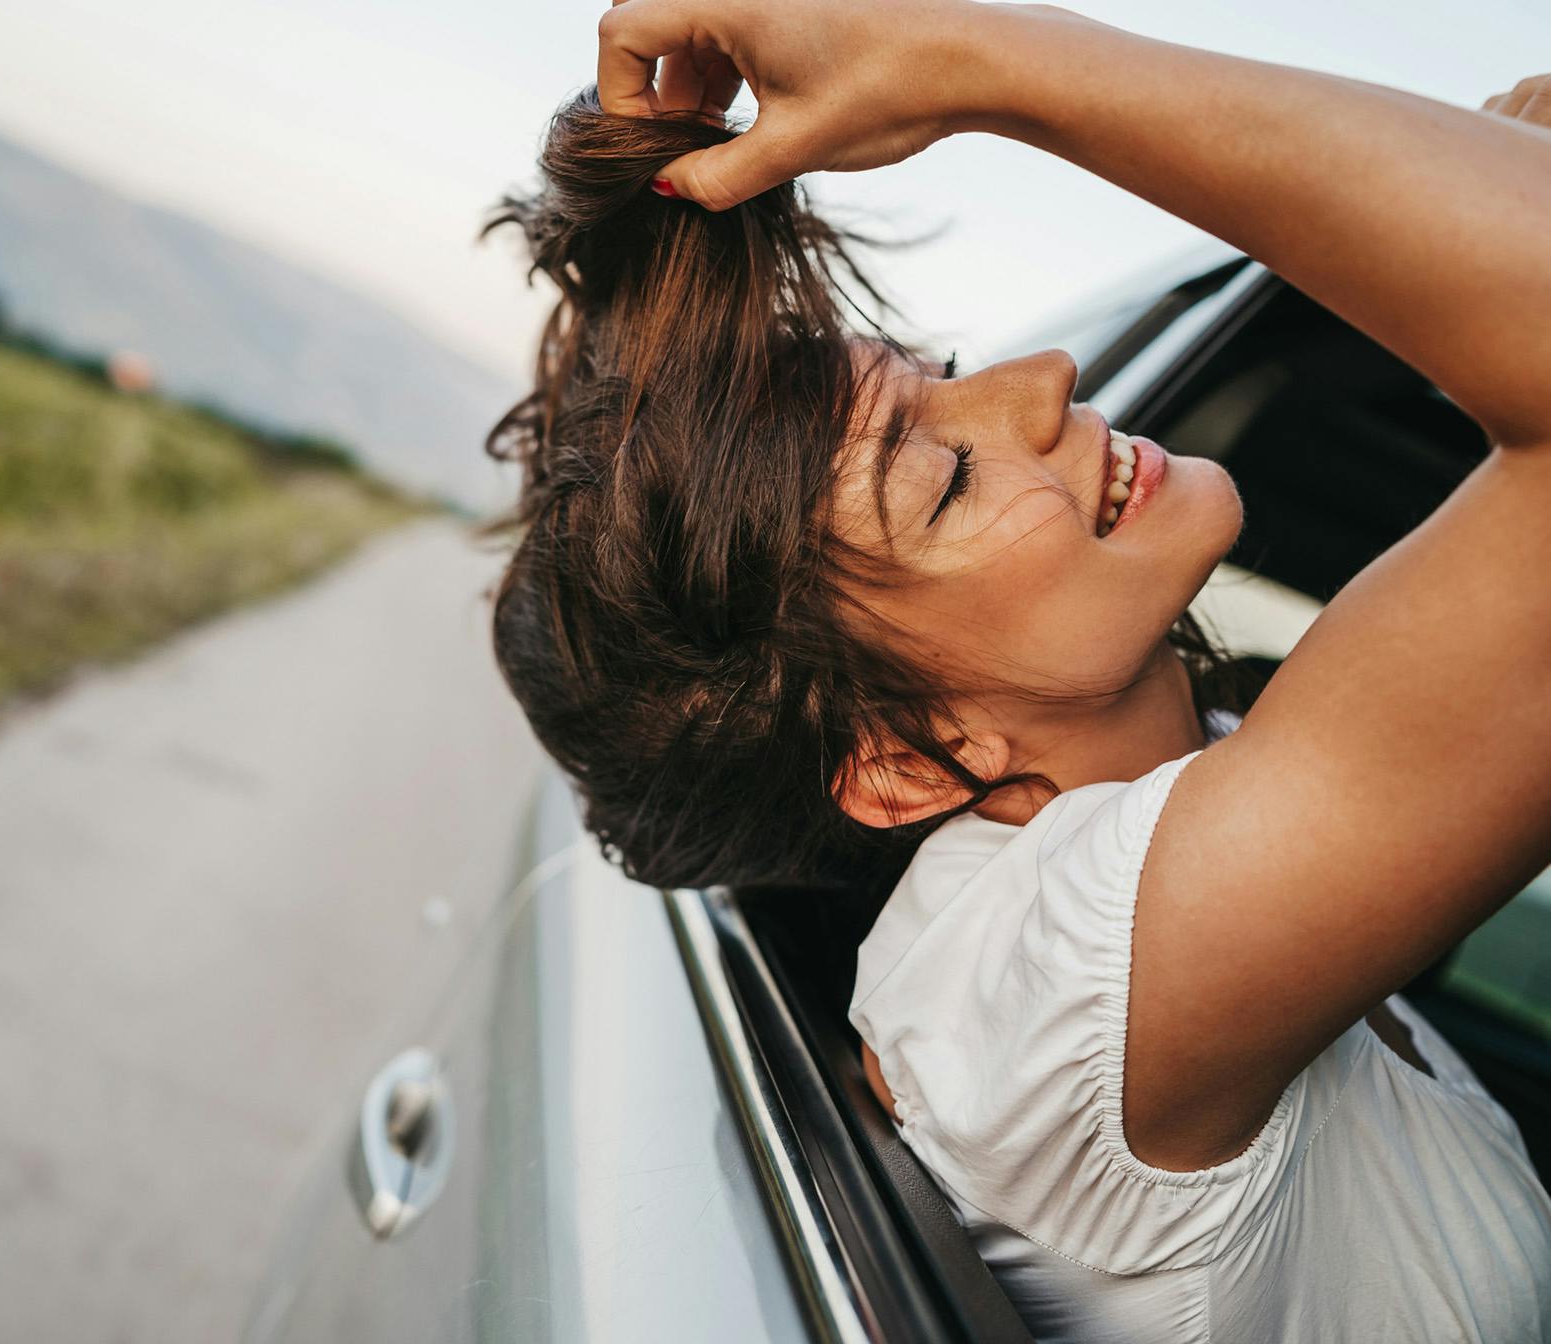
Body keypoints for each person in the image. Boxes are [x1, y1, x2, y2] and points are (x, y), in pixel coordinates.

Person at [486, 4, 1551, 1338]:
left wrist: (1471, 190)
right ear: (892, 760)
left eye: (939, 379)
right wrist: (968, 59)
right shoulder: (1047, 990)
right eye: (944, 478)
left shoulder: (1194, 782)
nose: (1043, 381)